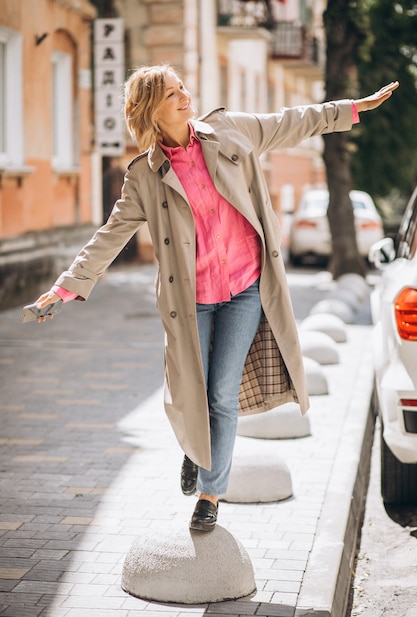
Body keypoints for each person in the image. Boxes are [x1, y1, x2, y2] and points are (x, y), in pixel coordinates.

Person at [31, 65, 398, 532]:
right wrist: (66, 286)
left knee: (221, 394)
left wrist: (349, 109)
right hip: (192, 301)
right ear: (150, 109)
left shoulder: (230, 131)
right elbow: (110, 235)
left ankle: (210, 493)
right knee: (192, 391)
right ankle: (195, 448)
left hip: (245, 288)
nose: (185, 96)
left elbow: (289, 121)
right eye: (171, 93)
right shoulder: (145, 177)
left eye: (182, 87)